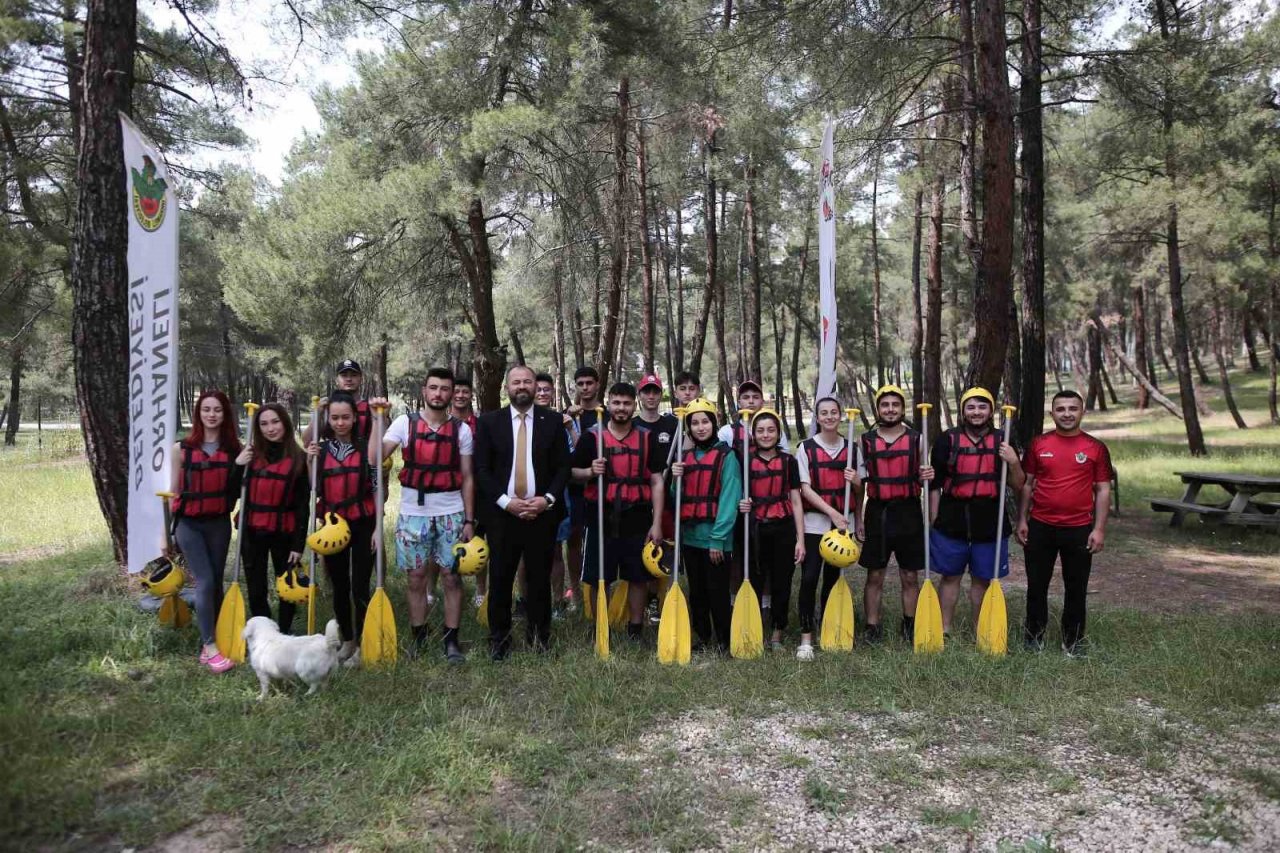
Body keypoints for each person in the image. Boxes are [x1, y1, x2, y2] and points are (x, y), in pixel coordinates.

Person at [376, 368, 475, 664]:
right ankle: (419, 636)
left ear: (451, 393)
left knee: (451, 577)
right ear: (424, 390)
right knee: (416, 578)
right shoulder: (404, 423)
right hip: (413, 514)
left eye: (445, 389)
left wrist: (470, 520)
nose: (439, 394)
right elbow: (374, 458)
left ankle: (451, 640)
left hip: (451, 512)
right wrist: (376, 419)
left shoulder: (462, 430)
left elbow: (468, 477)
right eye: (434, 388)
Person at [474, 365, 571, 658]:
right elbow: (482, 469)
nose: (522, 386)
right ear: (507, 388)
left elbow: (562, 467)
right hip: (503, 514)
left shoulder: (552, 421)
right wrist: (507, 502)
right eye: (516, 382)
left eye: (527, 381)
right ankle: (499, 641)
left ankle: (539, 639)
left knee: (539, 578)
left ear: (534, 386)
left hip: (542, 513)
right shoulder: (490, 422)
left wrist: (547, 499)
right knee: (501, 577)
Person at [1016, 390, 1112, 657]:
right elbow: (1027, 484)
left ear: (1082, 412)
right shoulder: (1039, 444)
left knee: (1076, 587)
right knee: (1037, 585)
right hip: (1040, 526)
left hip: (1079, 528)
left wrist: (1099, 529)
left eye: (1073, 408)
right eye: (1061, 409)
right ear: (1052, 414)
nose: (1067, 413)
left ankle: (1073, 640)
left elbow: (1103, 490)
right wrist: (1022, 519)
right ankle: (1034, 637)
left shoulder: (1096, 448)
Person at [571, 382, 665, 640]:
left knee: (637, 576)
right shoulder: (592, 437)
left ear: (633, 406)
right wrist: (590, 471)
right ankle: (599, 624)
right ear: (608, 404)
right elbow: (572, 473)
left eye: (626, 403)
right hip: (600, 515)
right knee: (596, 575)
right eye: (616, 403)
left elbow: (657, 481)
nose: (621, 408)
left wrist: (656, 523)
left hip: (637, 515)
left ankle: (635, 628)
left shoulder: (647, 437)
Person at [928, 388, 1025, 635]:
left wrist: (1013, 461)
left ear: (991, 411)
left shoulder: (1004, 440)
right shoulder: (946, 440)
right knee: (950, 576)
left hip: (990, 518)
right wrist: (933, 519)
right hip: (952, 518)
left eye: (982, 407)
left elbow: (1018, 484)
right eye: (970, 407)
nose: (976, 412)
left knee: (982, 579)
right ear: (962, 411)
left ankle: (980, 630)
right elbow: (934, 485)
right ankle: (944, 629)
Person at [168, 389, 244, 673]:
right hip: (188, 524)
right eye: (206, 410)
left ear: (225, 415)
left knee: (216, 583)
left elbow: (237, 488)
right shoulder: (182, 449)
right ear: (198, 414)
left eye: (218, 410)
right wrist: (165, 535)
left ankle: (218, 636)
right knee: (205, 581)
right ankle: (209, 646)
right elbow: (172, 493)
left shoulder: (235, 451)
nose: (212, 415)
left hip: (219, 523)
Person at [855, 385, 934, 644]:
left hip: (908, 510)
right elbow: (861, 486)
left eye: (895, 405)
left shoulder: (917, 440)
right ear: (878, 409)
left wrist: (928, 475)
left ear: (902, 409)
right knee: (874, 574)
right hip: (878, 512)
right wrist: (858, 518)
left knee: (909, 575)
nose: (890, 409)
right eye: (885, 405)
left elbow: (927, 477)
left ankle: (910, 624)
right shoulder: (865, 441)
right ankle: (872, 627)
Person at [306, 391, 380, 664]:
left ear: (354, 418)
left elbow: (377, 487)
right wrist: (310, 459)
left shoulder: (364, 447)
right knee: (339, 585)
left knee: (360, 585)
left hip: (362, 522)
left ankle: (362, 643)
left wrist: (376, 529)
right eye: (335, 418)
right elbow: (313, 485)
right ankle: (348, 640)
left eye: (345, 417)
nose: (340, 423)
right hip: (332, 526)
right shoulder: (321, 449)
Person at [670, 399, 742, 653]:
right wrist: (675, 479)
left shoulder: (727, 456)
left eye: (705, 421)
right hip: (690, 536)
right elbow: (675, 498)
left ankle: (724, 639)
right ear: (689, 427)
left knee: (717, 592)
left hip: (715, 539)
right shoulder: (685, 457)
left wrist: (718, 538)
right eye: (695, 423)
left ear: (714, 423)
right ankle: (702, 636)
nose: (701, 427)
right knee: (697, 592)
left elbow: (729, 499)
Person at [236, 403, 309, 635]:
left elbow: (302, 507)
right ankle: (263, 631)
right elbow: (232, 489)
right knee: (256, 588)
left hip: (284, 532)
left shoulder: (300, 459)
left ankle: (284, 631)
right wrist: (237, 465)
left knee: (286, 586)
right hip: (252, 531)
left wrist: (298, 545)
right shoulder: (250, 456)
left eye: (275, 422)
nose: (270, 428)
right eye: (264, 423)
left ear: (285, 423)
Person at [737, 409, 805, 651]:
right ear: (753, 434)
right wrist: (741, 503)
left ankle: (777, 632)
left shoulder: (789, 461)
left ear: (778, 434)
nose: (766, 435)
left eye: (771, 430)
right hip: (754, 528)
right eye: (760, 430)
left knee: (781, 582)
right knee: (753, 579)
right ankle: (753, 628)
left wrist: (801, 540)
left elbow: (796, 501)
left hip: (783, 528)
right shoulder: (744, 460)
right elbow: (735, 492)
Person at [795, 397, 857, 660]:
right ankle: (806, 637)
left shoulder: (852, 448)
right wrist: (832, 512)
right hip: (815, 525)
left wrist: (855, 483)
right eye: (824, 413)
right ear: (817, 418)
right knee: (809, 579)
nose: (829, 417)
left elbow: (860, 489)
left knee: (833, 580)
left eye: (834, 412)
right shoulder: (805, 448)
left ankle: (829, 627)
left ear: (840, 415)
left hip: (845, 525)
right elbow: (805, 489)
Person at [561, 365, 600, 619]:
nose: (585, 388)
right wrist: (571, 423)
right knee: (574, 541)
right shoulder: (565, 417)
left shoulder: (603, 415)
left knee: (597, 543)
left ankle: (596, 593)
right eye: (580, 384)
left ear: (597, 385)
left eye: (589, 383)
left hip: (599, 489)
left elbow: (593, 452)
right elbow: (572, 457)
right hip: (575, 489)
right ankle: (575, 593)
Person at [535, 372, 574, 615]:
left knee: (556, 551)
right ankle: (526, 601)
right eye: (537, 389)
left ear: (553, 392)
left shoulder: (562, 421)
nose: (541, 393)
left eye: (546, 389)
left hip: (556, 494)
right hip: (526, 495)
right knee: (524, 556)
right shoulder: (521, 420)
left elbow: (574, 457)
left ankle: (558, 601)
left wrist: (570, 428)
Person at [307, 359, 378, 444]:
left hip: (363, 455)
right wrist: (317, 414)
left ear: (361, 379)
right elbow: (307, 442)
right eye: (344, 375)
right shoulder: (325, 407)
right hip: (331, 455)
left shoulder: (371, 408)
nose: (349, 379)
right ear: (337, 380)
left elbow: (381, 444)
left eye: (354, 375)